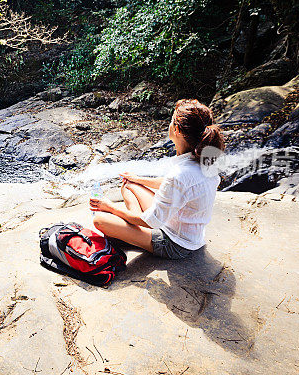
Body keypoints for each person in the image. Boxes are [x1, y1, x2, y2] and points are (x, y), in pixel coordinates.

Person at [89, 99, 225, 259]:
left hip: (176, 243)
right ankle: (132, 228)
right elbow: (172, 186)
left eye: (172, 120)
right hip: (179, 227)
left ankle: (133, 232)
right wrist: (138, 179)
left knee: (100, 220)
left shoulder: (180, 174)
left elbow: (151, 221)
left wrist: (110, 207)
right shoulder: (202, 160)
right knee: (130, 185)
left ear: (177, 130)